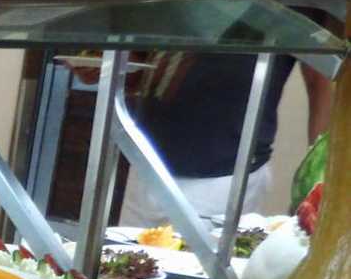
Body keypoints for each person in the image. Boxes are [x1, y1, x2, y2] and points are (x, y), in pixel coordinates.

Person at [119, 50, 332, 226]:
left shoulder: (296, 11)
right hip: (145, 163)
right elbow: (142, 61)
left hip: (224, 176)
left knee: (197, 265)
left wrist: (316, 182)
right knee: (128, 260)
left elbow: (321, 81)